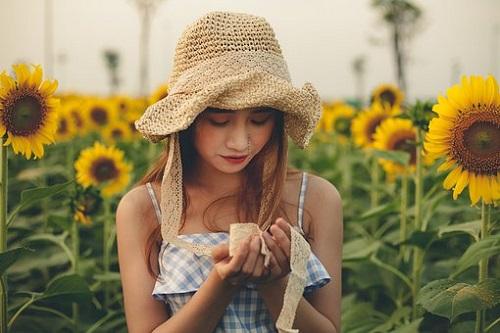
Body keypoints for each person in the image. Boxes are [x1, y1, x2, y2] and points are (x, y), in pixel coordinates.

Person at [116, 11, 343, 333]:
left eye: (259, 119)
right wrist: (222, 283)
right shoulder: (144, 209)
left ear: (277, 121)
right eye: (219, 120)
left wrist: (275, 285)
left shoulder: (315, 199)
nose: (240, 142)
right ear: (188, 119)